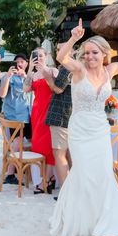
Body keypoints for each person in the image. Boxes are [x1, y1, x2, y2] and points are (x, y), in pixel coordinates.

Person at [50, 19, 118, 236]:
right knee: (84, 173)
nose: (90, 57)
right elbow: (61, 57)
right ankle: (83, 221)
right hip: (80, 129)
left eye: (95, 53)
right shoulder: (79, 70)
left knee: (102, 173)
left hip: (100, 128)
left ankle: (106, 223)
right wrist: (74, 38)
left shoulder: (111, 70)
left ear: (104, 54)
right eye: (87, 52)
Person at [0, 52, 31, 185]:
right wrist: (8, 76)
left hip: (28, 116)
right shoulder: (8, 76)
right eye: (17, 62)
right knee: (17, 141)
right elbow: (2, 94)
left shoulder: (28, 77)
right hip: (13, 117)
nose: (19, 64)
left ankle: (27, 167)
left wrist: (25, 76)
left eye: (22, 61)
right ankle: (10, 173)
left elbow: (31, 90)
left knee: (33, 140)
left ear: (26, 64)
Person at [24, 47, 58, 194]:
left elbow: (55, 88)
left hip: (50, 111)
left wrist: (44, 70)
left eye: (41, 55)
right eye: (35, 55)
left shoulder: (53, 71)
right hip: (37, 112)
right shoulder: (33, 75)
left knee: (49, 147)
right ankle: (41, 180)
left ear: (47, 56)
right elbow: (25, 89)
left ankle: (48, 179)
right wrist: (30, 69)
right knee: (37, 146)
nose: (39, 58)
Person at [42, 60, 73, 196]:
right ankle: (73, 190)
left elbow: (58, 89)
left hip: (60, 115)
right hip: (71, 116)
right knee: (70, 154)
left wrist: (49, 79)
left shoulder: (67, 67)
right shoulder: (75, 66)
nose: (59, 53)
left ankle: (66, 193)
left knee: (59, 154)